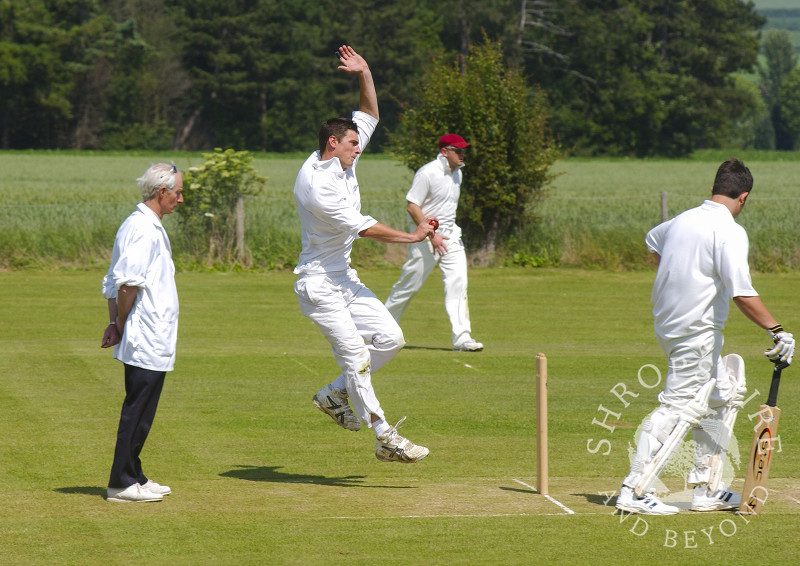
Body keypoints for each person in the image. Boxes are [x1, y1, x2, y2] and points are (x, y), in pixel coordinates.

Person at [615, 157, 794, 515]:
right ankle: (633, 490)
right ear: (743, 197)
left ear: (713, 189)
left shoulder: (681, 220)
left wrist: (679, 277)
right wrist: (777, 330)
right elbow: (741, 292)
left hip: (670, 323)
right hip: (695, 329)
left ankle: (706, 487)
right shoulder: (729, 230)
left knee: (723, 394)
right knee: (679, 405)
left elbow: (653, 242)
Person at [294, 45, 437, 463]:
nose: (359, 149)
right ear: (333, 143)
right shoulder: (318, 187)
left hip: (344, 277)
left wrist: (365, 72)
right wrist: (413, 239)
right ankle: (384, 435)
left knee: (391, 339)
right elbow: (368, 228)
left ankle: (334, 394)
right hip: (318, 284)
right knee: (357, 356)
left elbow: (370, 114)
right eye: (353, 144)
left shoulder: (341, 158)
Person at [101, 163, 183, 502]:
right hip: (144, 334)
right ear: (161, 193)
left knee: (145, 411)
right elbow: (124, 285)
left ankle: (134, 473)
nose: (181, 198)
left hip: (155, 334)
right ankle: (120, 483)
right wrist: (119, 324)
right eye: (177, 192)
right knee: (137, 410)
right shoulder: (141, 229)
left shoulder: (150, 226)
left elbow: (113, 281)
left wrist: (112, 323)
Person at [384, 134, 483, 352]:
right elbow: (412, 206)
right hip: (425, 239)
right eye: (458, 150)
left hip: (451, 238)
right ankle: (379, 332)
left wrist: (443, 234)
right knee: (408, 286)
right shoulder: (427, 173)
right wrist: (432, 234)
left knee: (458, 284)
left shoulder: (459, 174)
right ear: (444, 151)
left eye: (463, 150)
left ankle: (462, 338)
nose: (462, 154)